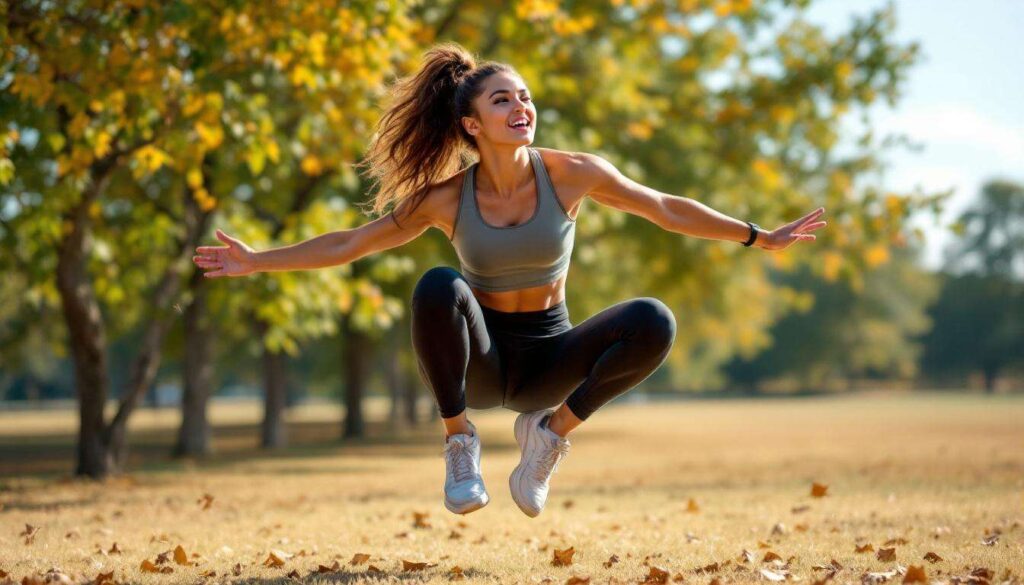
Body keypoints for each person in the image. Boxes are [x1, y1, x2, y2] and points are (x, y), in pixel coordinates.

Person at [192, 42, 827, 518]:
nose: (520, 106)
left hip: (553, 357)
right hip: (483, 359)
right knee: (438, 285)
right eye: (503, 99)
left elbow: (663, 207)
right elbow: (353, 243)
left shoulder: (574, 173)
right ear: (472, 124)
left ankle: (548, 438)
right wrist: (259, 259)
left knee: (655, 320)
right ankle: (459, 441)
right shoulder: (445, 199)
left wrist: (754, 234)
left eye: (524, 96)